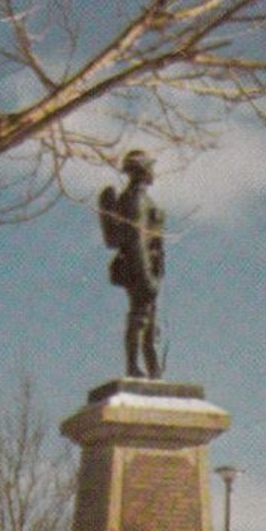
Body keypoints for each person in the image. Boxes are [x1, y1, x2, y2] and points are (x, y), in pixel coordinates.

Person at [98, 150, 165, 378]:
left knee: (146, 319)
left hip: (145, 269)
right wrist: (146, 277)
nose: (154, 172)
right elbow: (137, 241)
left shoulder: (135, 198)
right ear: (143, 171)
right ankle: (135, 366)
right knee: (140, 317)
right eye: (150, 168)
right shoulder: (136, 200)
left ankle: (150, 368)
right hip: (141, 269)